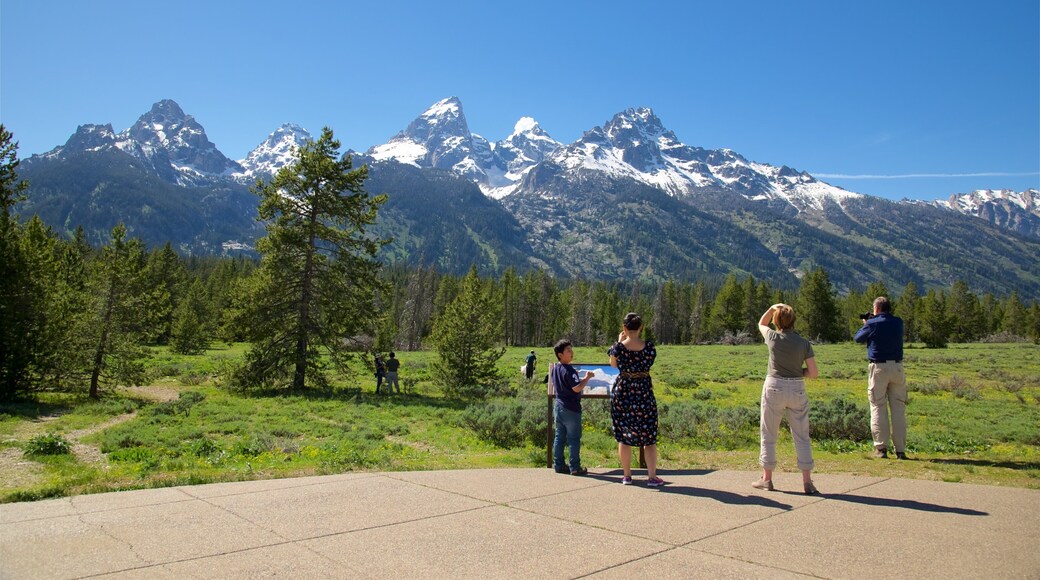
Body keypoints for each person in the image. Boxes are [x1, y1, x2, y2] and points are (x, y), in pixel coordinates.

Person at [752, 304, 820, 495]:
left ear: (777, 321)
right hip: (797, 387)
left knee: (769, 433)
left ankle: (767, 479)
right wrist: (799, 371)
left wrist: (771, 308)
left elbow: (761, 323)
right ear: (793, 321)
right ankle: (807, 481)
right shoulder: (804, 343)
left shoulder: (772, 337)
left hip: (774, 386)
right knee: (802, 436)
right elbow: (814, 373)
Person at [608, 313, 664, 487]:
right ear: (641, 327)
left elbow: (613, 364)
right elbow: (649, 363)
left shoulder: (618, 348)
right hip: (644, 393)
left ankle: (626, 476)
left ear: (624, 328)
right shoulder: (649, 348)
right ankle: (652, 477)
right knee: (649, 437)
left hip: (623, 392)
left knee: (624, 436)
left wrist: (619, 342)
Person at [854, 296, 908, 460]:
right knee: (899, 409)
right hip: (897, 367)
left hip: (878, 368)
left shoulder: (872, 324)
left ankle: (881, 448)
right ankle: (900, 450)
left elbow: (858, 338)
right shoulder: (898, 322)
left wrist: (867, 323)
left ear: (876, 308)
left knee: (878, 406)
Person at [551, 340, 594, 476]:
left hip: (558, 406)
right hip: (571, 408)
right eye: (568, 351)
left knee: (559, 437)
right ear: (560, 354)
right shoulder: (569, 370)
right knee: (574, 438)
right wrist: (587, 378)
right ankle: (575, 467)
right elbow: (577, 388)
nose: (571, 353)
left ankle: (559, 465)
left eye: (571, 350)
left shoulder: (555, 368)